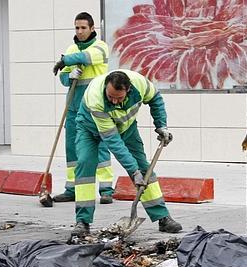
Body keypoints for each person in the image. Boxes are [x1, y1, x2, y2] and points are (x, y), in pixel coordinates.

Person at [71, 69, 183, 237]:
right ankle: (82, 221)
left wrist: (161, 125)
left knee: (144, 168)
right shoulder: (96, 98)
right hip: (89, 128)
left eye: (119, 98)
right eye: (110, 97)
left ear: (129, 90)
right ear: (106, 89)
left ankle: (162, 217)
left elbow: (156, 99)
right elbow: (114, 142)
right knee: (85, 164)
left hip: (126, 127)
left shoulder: (140, 84)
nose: (115, 101)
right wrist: (132, 171)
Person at [52, 12, 114, 204]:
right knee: (72, 150)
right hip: (74, 108)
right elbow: (63, 78)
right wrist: (69, 76)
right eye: (77, 28)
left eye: (83, 28)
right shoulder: (71, 49)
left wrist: (66, 60)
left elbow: (88, 57)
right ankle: (72, 188)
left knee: (101, 147)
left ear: (92, 28)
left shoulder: (100, 46)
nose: (79, 32)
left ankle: (106, 190)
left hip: (96, 107)